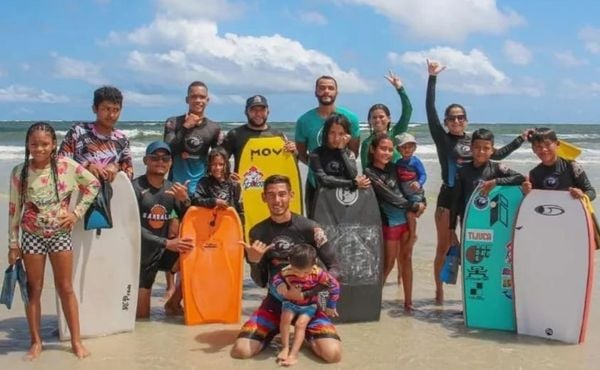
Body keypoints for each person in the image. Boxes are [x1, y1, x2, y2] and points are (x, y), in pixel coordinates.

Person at [425, 59, 531, 304]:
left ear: (466, 120)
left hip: (472, 200)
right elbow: (430, 109)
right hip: (448, 200)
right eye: (451, 118)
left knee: (472, 250)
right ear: (445, 121)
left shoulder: (474, 143)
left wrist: (520, 139)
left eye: (460, 117)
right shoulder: (443, 139)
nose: (456, 121)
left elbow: (494, 156)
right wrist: (432, 78)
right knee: (445, 246)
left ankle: (472, 295)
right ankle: (439, 292)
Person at [7, 122, 100, 360]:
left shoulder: (66, 166)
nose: (39, 148)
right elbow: (14, 209)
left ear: (53, 145)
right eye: (34, 144)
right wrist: (13, 244)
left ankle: (76, 341)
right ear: (27, 145)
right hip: (31, 237)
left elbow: (93, 185)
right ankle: (36, 342)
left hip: (60, 235)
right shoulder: (20, 172)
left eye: (44, 144)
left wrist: (76, 213)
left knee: (65, 288)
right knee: (33, 290)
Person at [230, 175, 341, 364]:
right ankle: (273, 332)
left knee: (332, 355)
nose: (277, 200)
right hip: (275, 303)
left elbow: (335, 268)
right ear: (264, 198)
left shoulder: (310, 228)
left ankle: (305, 333)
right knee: (241, 351)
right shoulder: (257, 232)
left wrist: (308, 293)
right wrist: (254, 261)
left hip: (309, 305)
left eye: (282, 194)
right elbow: (261, 281)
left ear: (291, 195)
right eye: (271, 195)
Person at [132, 141, 194, 319]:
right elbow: (132, 228)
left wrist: (185, 200)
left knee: (195, 257)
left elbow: (191, 218)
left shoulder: (172, 189)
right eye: (155, 157)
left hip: (162, 251)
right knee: (142, 318)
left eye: (165, 158)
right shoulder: (135, 188)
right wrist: (167, 242)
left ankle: (173, 302)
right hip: (141, 255)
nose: (160, 161)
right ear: (145, 160)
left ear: (171, 162)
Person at [364, 133, 425, 310]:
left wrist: (421, 202)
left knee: (407, 259)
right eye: (383, 149)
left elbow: (408, 186)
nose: (387, 153)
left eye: (391, 150)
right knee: (388, 264)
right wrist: (413, 206)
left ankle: (408, 303)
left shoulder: (395, 167)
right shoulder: (369, 172)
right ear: (373, 149)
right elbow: (388, 195)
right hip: (390, 223)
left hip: (406, 219)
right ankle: (372, 302)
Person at [296, 76, 361, 213]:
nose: (326, 91)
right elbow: (301, 154)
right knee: (316, 229)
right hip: (316, 183)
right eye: (322, 88)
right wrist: (320, 166)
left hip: (345, 185)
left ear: (336, 93)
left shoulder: (351, 118)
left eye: (331, 88)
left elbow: (354, 153)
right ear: (315, 92)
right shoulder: (304, 120)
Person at [271, 243, 340, 366]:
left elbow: (334, 286)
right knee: (285, 319)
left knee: (300, 324)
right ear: (289, 261)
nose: (301, 275)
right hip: (290, 302)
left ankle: (294, 353)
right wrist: (280, 284)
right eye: (296, 271)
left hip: (309, 305)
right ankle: (285, 347)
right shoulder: (287, 271)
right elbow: (276, 278)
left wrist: (331, 305)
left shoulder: (319, 274)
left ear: (315, 263)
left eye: (306, 272)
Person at [449, 129, 526, 229]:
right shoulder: (462, 171)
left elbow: (521, 178)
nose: (481, 151)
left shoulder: (496, 168)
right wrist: (451, 229)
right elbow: (455, 201)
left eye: (486, 148)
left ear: (492, 150)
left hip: (491, 220)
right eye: (477, 147)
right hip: (469, 220)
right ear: (471, 148)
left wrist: (496, 182)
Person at [58, 85, 133, 181]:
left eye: (116, 110)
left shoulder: (122, 139)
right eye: (106, 109)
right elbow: (61, 164)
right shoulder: (78, 132)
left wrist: (116, 168)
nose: (111, 115)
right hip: (80, 192)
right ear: (94, 108)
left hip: (110, 194)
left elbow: (129, 175)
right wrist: (86, 167)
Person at [163, 81, 221, 195]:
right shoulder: (173, 123)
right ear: (187, 99)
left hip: (201, 190)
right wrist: (185, 127)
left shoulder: (214, 128)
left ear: (207, 100)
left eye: (202, 97)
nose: (198, 100)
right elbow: (168, 151)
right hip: (175, 187)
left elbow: (218, 159)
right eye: (194, 97)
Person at [307, 113, 371, 216]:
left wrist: (342, 151)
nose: (336, 138)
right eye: (332, 133)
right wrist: (352, 184)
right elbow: (324, 180)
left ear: (347, 135)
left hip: (345, 203)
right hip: (323, 205)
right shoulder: (316, 154)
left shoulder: (348, 154)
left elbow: (352, 175)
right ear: (326, 133)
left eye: (341, 134)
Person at [221, 95, 296, 174]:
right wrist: (227, 175)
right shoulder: (235, 134)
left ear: (268, 112)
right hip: (245, 184)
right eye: (253, 110)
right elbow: (220, 158)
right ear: (246, 112)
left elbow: (287, 162)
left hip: (271, 184)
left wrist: (293, 150)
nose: (258, 114)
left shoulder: (277, 135)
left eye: (262, 110)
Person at [522, 127, 596, 200]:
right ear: (533, 149)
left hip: (573, 210)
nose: (543, 149)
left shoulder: (572, 166)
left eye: (547, 144)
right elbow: (534, 202)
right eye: (538, 146)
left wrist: (583, 195)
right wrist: (527, 193)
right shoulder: (534, 173)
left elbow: (591, 192)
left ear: (557, 144)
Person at [360, 71, 412, 170]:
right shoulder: (367, 143)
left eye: (381, 116)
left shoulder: (396, 133)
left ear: (389, 119)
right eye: (374, 117)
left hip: (399, 181)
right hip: (379, 183)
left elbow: (408, 111)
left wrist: (400, 89)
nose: (378, 120)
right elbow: (365, 170)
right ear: (369, 120)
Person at [394, 132, 426, 285]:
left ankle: (413, 235)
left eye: (410, 147)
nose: (407, 149)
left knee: (410, 214)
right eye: (403, 147)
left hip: (415, 194)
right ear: (399, 150)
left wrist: (419, 183)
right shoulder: (398, 163)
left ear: (414, 148)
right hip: (403, 195)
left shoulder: (416, 162)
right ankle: (399, 275)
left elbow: (423, 175)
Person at [190, 147, 244, 222]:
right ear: (209, 165)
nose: (217, 168)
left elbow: (240, 210)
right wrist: (214, 201)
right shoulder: (204, 182)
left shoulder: (234, 184)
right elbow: (195, 200)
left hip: (230, 224)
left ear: (226, 164)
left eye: (221, 164)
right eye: (214, 164)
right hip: (209, 224)